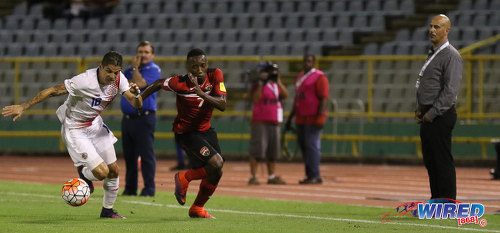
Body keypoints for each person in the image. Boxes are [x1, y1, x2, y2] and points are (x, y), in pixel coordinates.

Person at [2, 51, 142, 219]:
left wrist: (137, 95)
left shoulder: (119, 80)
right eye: (109, 71)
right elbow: (54, 90)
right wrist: (24, 106)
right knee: (102, 173)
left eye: (116, 71)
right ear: (101, 67)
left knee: (114, 171)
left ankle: (107, 211)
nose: (112, 76)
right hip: (75, 129)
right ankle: (84, 173)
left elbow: (136, 105)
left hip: (95, 125)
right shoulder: (84, 81)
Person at [141, 48, 226, 219]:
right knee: (216, 163)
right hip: (186, 132)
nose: (199, 70)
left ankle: (197, 208)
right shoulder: (179, 83)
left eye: (203, 65)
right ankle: (184, 177)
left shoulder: (216, 75)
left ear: (207, 64)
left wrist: (202, 94)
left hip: (205, 130)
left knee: (217, 171)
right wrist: (140, 99)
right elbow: (158, 83)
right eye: (194, 67)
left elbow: (222, 104)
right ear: (188, 66)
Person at [414, 14, 463, 200]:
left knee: (442, 161)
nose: (432, 30)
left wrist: (431, 113)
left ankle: (448, 202)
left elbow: (450, 92)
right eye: (431, 26)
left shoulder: (451, 56)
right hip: (428, 114)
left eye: (437, 27)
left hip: (440, 115)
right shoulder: (433, 53)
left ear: (447, 30)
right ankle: (437, 201)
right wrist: (420, 109)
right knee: (432, 162)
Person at [121, 41, 161, 197]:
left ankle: (149, 189)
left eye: (146, 52)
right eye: (140, 51)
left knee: (146, 155)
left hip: (144, 118)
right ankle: (130, 188)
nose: (143, 55)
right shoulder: (128, 70)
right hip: (128, 119)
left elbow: (141, 83)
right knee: (129, 155)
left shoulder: (154, 69)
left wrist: (135, 68)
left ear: (152, 55)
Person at [285, 54, 329, 184]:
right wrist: (290, 118)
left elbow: (324, 97)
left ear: (314, 62)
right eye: (305, 61)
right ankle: (310, 175)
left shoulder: (319, 77)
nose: (307, 63)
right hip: (300, 118)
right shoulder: (300, 76)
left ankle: (315, 175)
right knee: (304, 147)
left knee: (312, 146)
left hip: (312, 117)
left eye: (310, 61)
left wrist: (321, 116)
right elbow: (297, 98)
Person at [248, 62, 288, 185]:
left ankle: (271, 176)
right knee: (257, 150)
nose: (273, 75)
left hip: (274, 122)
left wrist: (278, 82)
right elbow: (255, 98)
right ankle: (253, 176)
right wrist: (262, 83)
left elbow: (285, 95)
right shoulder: (258, 84)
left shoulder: (276, 85)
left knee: (273, 151)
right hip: (260, 121)